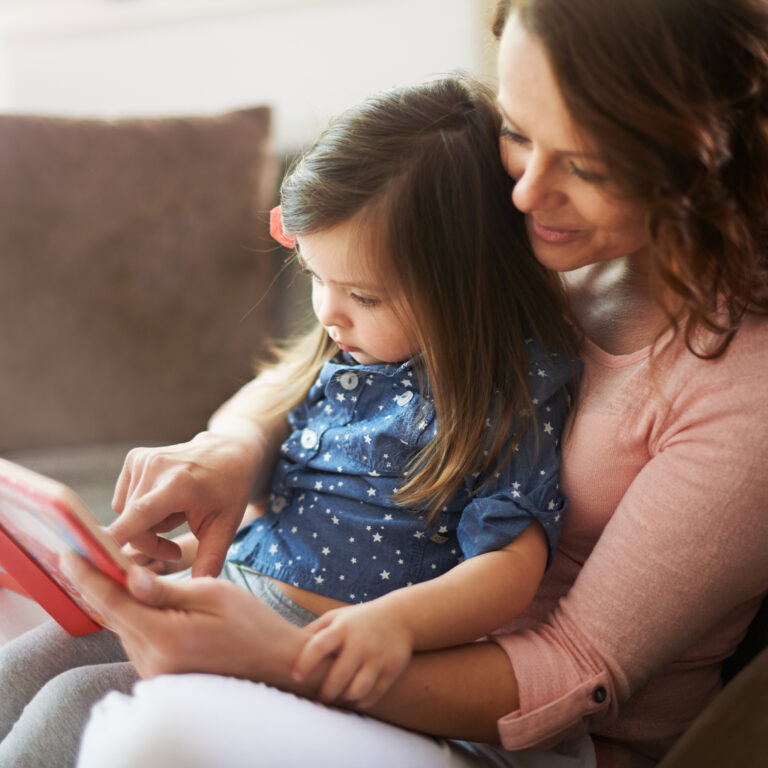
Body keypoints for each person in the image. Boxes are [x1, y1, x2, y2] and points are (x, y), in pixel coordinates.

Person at [66, 0, 768, 766]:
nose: (528, 192)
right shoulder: (535, 237)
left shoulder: (744, 393)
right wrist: (229, 450)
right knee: (51, 676)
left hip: (524, 738)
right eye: (519, 132)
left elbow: (574, 666)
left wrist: (285, 658)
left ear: (709, 152)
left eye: (589, 165)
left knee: (149, 735)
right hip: (339, 641)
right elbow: (315, 371)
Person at [0, 74, 579, 768]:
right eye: (314, 276)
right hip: (240, 594)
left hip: (328, 643)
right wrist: (178, 558)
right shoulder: (345, 357)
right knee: (30, 662)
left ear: (468, 286)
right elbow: (287, 518)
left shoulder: (509, 391)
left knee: (74, 710)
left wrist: (391, 625)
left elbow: (510, 569)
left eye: (362, 293)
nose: (329, 314)